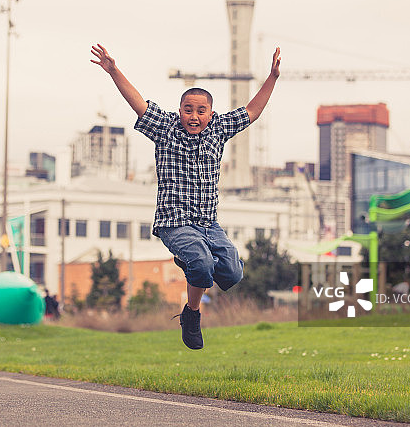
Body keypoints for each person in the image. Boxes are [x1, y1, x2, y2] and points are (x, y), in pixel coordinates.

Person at [90, 43, 281, 350]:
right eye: (188, 110)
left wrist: (272, 77)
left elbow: (253, 111)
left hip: (208, 224)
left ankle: (188, 261)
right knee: (202, 264)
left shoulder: (218, 129)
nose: (194, 116)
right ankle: (191, 314)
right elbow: (138, 103)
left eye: (200, 111)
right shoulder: (165, 128)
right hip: (174, 222)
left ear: (210, 114)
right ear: (179, 111)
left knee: (233, 273)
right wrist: (113, 70)